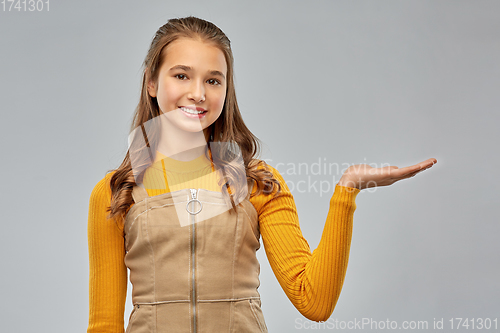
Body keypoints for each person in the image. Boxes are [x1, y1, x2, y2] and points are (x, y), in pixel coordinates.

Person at [87, 16, 437, 333]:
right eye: (181, 75)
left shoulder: (256, 182)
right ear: (151, 82)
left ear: (226, 91)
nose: (197, 93)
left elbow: (314, 302)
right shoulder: (116, 192)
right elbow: (104, 325)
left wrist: (347, 191)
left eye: (213, 80)